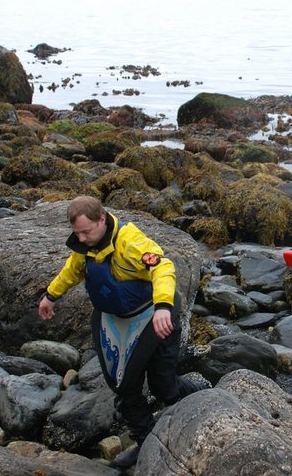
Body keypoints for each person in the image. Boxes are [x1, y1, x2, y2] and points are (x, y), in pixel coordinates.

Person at [38, 195, 206, 468]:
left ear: (102, 219)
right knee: (124, 385)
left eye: (86, 231)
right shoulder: (85, 247)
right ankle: (146, 440)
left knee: (163, 384)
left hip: (155, 314)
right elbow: (72, 271)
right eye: (76, 233)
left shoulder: (130, 241)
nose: (81, 238)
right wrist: (50, 296)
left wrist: (163, 306)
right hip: (115, 318)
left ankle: (200, 398)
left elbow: (162, 266)